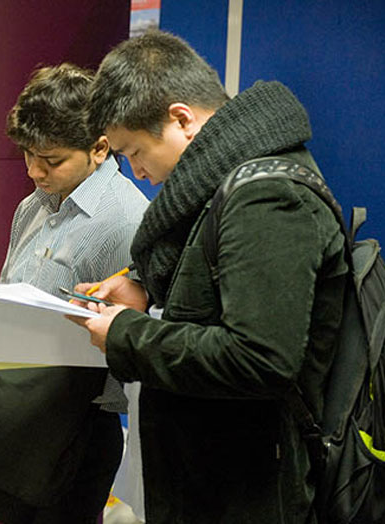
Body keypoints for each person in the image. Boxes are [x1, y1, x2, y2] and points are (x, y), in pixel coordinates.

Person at [70, 30, 348, 524]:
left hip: (249, 491)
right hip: (215, 479)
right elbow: (214, 282)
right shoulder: (222, 187)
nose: (136, 172)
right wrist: (145, 287)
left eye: (135, 151)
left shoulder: (266, 197)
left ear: (182, 119)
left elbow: (259, 358)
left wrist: (126, 334)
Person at [0, 64, 148, 524]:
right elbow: (15, 321)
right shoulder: (32, 206)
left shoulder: (127, 220)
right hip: (11, 412)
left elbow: (131, 346)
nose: (34, 170)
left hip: (75, 428)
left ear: (99, 147)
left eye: (50, 161)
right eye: (28, 155)